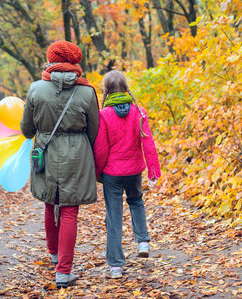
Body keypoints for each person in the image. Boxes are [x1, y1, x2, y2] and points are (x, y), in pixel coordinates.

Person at [20, 40, 99, 288]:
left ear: (51, 60)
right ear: (74, 62)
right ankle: (63, 271)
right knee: (69, 212)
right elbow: (95, 131)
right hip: (77, 154)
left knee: (49, 202)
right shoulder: (87, 92)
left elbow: (26, 129)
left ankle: (53, 254)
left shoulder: (35, 89)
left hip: (45, 151)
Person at [93, 70, 161, 279]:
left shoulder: (103, 115)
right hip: (134, 170)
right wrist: (153, 169)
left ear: (106, 89)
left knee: (113, 217)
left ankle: (115, 266)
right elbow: (147, 142)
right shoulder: (138, 112)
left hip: (112, 173)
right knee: (136, 202)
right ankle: (142, 241)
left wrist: (98, 172)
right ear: (125, 87)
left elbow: (101, 148)